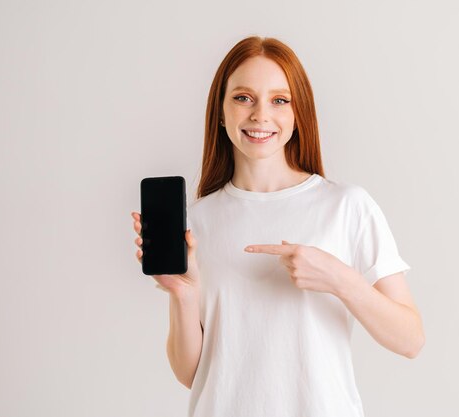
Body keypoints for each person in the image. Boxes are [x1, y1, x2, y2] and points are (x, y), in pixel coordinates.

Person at [131, 35, 424, 417]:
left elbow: (410, 340)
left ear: (298, 113)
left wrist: (339, 278)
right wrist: (183, 295)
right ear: (220, 112)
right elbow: (192, 375)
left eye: (279, 100)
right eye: (243, 98)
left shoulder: (347, 206)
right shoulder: (196, 223)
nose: (260, 115)